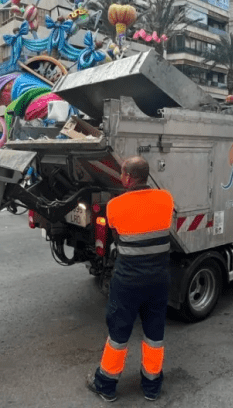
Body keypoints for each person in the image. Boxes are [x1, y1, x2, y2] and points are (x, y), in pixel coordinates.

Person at [87, 156, 175, 402]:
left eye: (122, 174)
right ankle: (151, 386)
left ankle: (106, 385)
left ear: (127, 177)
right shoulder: (166, 199)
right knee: (154, 334)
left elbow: (117, 237)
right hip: (158, 281)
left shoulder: (115, 206)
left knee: (118, 334)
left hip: (128, 282)